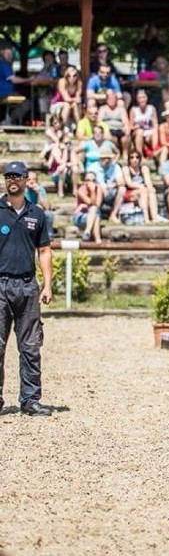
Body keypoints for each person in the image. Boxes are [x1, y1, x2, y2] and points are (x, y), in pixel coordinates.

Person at [0, 162, 53, 416]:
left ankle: (30, 400)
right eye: (8, 176)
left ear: (25, 179)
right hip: (0, 285)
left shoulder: (37, 213)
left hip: (28, 285)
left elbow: (44, 250)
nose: (12, 180)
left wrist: (48, 284)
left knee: (31, 346)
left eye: (17, 176)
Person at [122, 150, 164, 224]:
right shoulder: (126, 169)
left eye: (137, 157)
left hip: (142, 190)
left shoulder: (144, 168)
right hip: (130, 191)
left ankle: (154, 217)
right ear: (129, 159)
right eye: (132, 157)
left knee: (151, 191)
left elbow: (148, 182)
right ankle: (146, 218)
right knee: (144, 191)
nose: (135, 159)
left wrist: (150, 188)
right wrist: (141, 187)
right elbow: (129, 184)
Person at [24, 171, 54, 241]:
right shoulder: (22, 190)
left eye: (34, 180)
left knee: (49, 214)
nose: (31, 182)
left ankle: (49, 238)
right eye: (29, 180)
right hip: (26, 213)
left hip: (38, 213)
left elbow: (47, 207)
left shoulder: (40, 189)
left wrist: (39, 193)